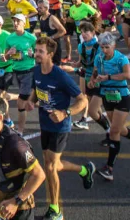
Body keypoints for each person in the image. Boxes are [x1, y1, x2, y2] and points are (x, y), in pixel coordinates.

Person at [27, 37, 94, 220]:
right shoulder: (37, 70)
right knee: (52, 165)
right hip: (45, 124)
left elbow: (82, 100)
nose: (36, 54)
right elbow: (37, 89)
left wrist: (65, 113)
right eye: (36, 50)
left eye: (40, 51)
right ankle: (84, 170)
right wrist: (31, 102)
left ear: (50, 54)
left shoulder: (60, 76)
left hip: (60, 126)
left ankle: (55, 211)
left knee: (49, 167)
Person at [89, 31, 130, 180]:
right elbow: (95, 71)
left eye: (106, 47)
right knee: (118, 128)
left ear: (113, 46)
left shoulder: (121, 59)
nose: (104, 50)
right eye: (102, 47)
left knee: (114, 131)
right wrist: (93, 80)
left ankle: (109, 168)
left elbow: (127, 75)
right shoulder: (99, 57)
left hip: (121, 96)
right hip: (107, 95)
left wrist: (108, 77)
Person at [4, 14, 37, 133]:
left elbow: (39, 55)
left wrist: (32, 54)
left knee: (20, 103)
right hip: (16, 71)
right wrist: (10, 54)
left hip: (29, 72)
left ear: (24, 23)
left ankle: (20, 131)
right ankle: (44, 104)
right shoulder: (9, 38)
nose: (15, 24)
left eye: (18, 21)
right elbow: (6, 58)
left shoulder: (31, 38)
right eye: (14, 21)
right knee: (29, 100)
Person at [37, 0, 66, 65]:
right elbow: (45, 32)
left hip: (54, 49)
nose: (38, 10)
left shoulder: (52, 18)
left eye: (40, 8)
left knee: (55, 70)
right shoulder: (41, 18)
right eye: (38, 8)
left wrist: (50, 38)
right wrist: (39, 34)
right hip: (46, 48)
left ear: (46, 8)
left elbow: (63, 31)